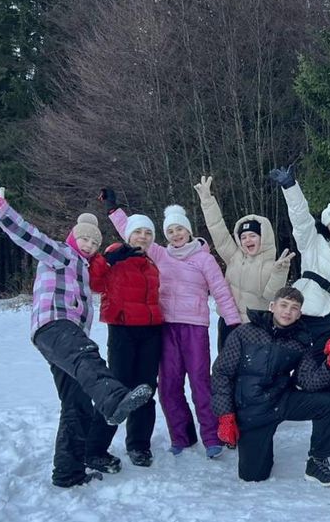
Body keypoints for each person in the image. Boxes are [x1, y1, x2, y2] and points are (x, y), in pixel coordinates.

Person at [0, 179, 153, 488]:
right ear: (73, 238)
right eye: (83, 239)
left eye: (93, 243)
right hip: (54, 325)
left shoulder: (85, 272)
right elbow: (26, 235)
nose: (87, 245)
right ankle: (113, 400)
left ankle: (68, 472)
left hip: (66, 336)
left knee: (77, 406)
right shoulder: (61, 255)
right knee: (88, 356)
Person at [103, 190, 242, 459]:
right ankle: (182, 436)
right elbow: (132, 233)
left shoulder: (204, 258)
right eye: (171, 231)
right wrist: (113, 210)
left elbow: (221, 291)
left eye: (180, 229)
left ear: (189, 231)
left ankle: (211, 437)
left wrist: (233, 322)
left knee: (201, 383)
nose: (176, 234)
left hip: (194, 328)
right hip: (165, 327)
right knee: (169, 385)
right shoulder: (160, 254)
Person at [211, 287, 330, 486]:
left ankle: (317, 462)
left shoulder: (300, 341)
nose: (287, 311)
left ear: (299, 314)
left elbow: (306, 381)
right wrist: (226, 416)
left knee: (329, 403)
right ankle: (262, 444)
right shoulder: (245, 333)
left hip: (280, 401)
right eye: (284, 305)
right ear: (272, 306)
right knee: (253, 476)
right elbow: (222, 373)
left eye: (294, 308)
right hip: (251, 411)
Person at [85, 213, 164, 470]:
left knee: (145, 389)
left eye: (148, 233)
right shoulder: (114, 254)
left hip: (151, 331)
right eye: (138, 232)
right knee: (117, 389)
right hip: (122, 329)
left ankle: (139, 445)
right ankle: (96, 448)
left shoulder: (151, 263)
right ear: (128, 234)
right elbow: (95, 283)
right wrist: (106, 261)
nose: (143, 237)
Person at [193, 175, 294, 350]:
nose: (247, 239)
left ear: (263, 237)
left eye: (253, 235)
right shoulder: (234, 256)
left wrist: (279, 272)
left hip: (255, 327)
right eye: (243, 236)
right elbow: (218, 230)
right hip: (229, 323)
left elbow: (271, 296)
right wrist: (207, 201)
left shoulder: (273, 264)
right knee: (225, 371)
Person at [269, 164, 330, 346]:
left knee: (326, 364)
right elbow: (301, 220)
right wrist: (291, 188)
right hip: (307, 308)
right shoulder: (313, 242)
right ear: (326, 226)